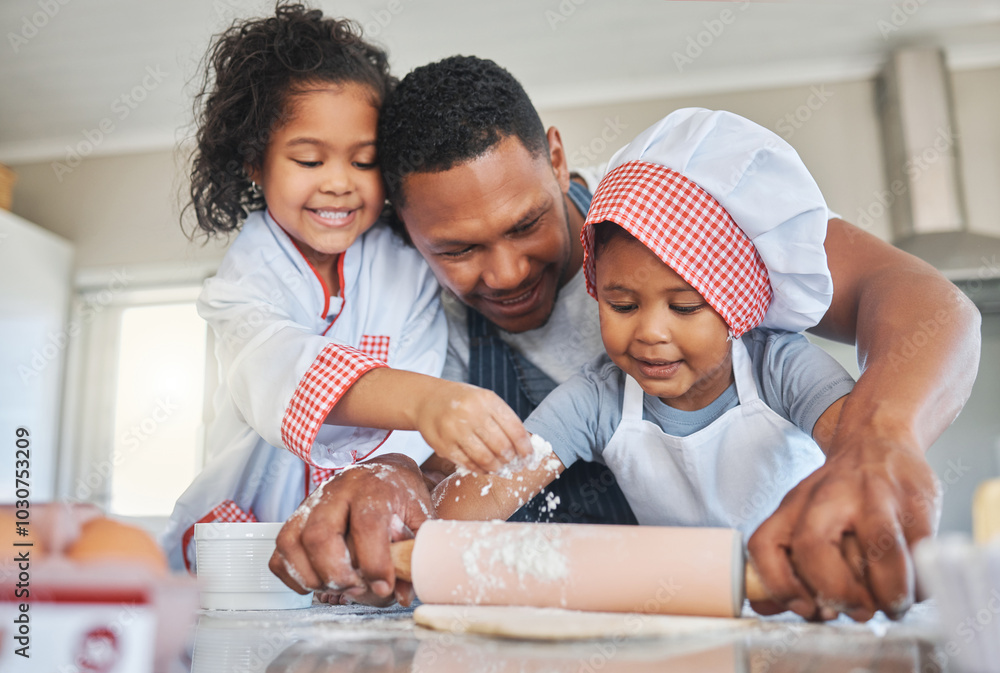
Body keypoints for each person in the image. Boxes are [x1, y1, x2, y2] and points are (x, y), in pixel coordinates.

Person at [270, 55, 981, 621]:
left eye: (525, 225)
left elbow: (923, 304)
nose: (508, 271)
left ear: (556, 158)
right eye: (456, 250)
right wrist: (398, 482)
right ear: (406, 226)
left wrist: (875, 441)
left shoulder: (687, 214)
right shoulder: (421, 319)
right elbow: (472, 481)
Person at [162, 9, 531, 572]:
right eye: (310, 159)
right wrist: (423, 401)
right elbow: (275, 366)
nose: (338, 182)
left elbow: (412, 407)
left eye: (364, 161)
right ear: (254, 164)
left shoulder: (405, 270)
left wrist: (394, 480)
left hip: (364, 538)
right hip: (248, 536)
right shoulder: (248, 276)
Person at [432, 108, 856, 549]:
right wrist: (419, 526)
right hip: (685, 603)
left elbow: (861, 452)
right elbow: (495, 487)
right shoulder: (600, 398)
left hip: (812, 592)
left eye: (685, 307)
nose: (650, 332)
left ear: (737, 305)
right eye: (623, 305)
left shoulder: (780, 367)